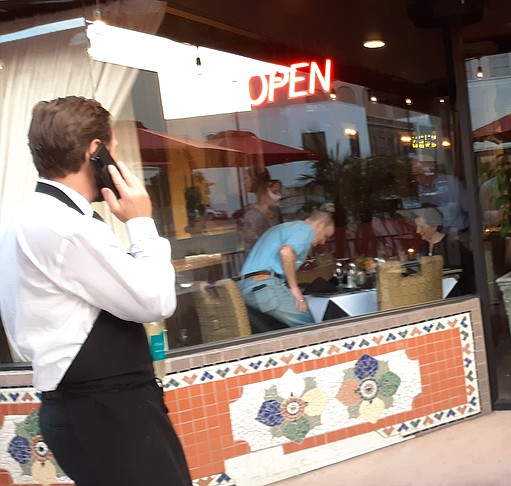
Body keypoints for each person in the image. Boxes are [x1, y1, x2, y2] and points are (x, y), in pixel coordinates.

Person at [0, 97, 191, 485]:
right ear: (96, 151)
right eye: (115, 149)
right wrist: (141, 222)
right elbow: (156, 301)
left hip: (96, 408)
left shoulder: (33, 218)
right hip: (105, 410)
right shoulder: (63, 227)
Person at [236, 203, 335, 328]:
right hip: (263, 286)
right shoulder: (305, 230)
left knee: (277, 330)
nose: (323, 242)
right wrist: (295, 289)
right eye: (325, 236)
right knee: (308, 327)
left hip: (246, 288)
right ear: (320, 224)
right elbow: (286, 252)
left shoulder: (284, 228)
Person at [407, 205, 475, 296]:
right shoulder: (422, 248)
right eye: (417, 227)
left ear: (434, 226)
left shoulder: (451, 245)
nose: (417, 231)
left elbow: (463, 272)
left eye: (421, 227)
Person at [411, 155, 470, 237]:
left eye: (419, 175)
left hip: (459, 233)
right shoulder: (420, 188)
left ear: (429, 171)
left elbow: (468, 207)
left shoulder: (451, 183)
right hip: (435, 234)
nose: (417, 179)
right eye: (414, 175)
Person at [236, 176, 283, 251]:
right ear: (263, 192)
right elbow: (251, 245)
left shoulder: (275, 212)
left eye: (279, 191)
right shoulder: (251, 216)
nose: (279, 196)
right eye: (275, 192)